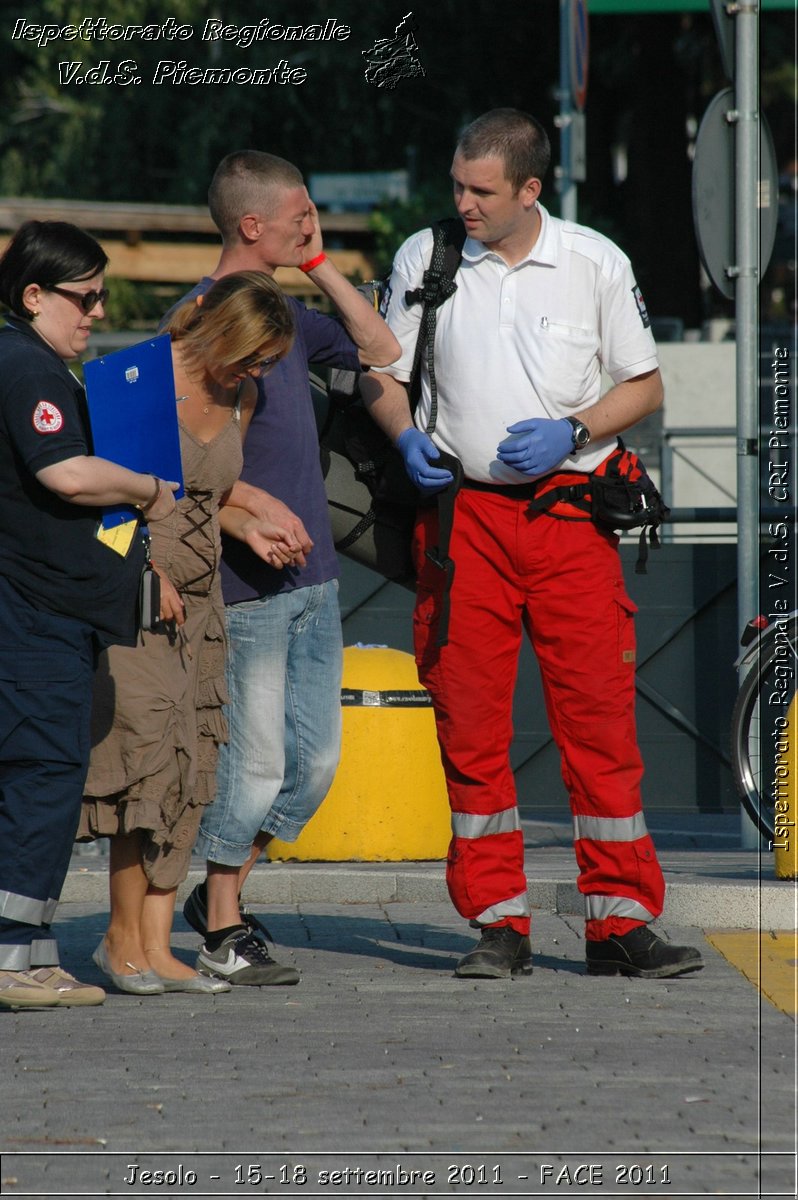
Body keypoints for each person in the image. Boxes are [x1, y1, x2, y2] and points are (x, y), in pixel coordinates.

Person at [361, 108, 704, 981]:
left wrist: (575, 428)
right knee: (469, 721)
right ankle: (498, 922)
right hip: (463, 521)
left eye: (480, 191)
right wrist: (405, 436)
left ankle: (620, 924)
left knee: (598, 722)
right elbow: (382, 375)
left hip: (569, 516)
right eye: (456, 185)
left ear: (529, 189)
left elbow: (647, 383)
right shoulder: (425, 257)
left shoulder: (593, 262)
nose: (462, 204)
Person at [173, 151, 399, 987]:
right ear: (251, 224)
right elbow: (170, 450)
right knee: (257, 763)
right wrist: (241, 512)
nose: (315, 220)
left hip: (317, 580)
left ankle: (218, 897)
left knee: (313, 768)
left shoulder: (289, 313)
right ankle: (224, 926)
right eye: (301, 213)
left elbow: (384, 348)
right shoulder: (200, 317)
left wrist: (318, 267)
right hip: (247, 588)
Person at [79, 272, 297, 995]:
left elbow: (207, 495)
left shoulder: (242, 393)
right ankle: (119, 939)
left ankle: (156, 942)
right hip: (138, 595)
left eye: (267, 362)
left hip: (203, 604)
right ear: (220, 330)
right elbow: (101, 504)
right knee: (146, 757)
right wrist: (145, 573)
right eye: (252, 356)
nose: (257, 373)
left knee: (192, 765)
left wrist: (250, 525)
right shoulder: (134, 379)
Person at [0, 220, 178, 1009]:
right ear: (33, 295)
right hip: (33, 618)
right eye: (86, 297)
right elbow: (66, 474)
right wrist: (144, 487)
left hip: (54, 617)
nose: (98, 312)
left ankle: (32, 951)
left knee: (44, 776)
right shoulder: (26, 366)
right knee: (39, 776)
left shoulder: (43, 365)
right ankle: (11, 958)